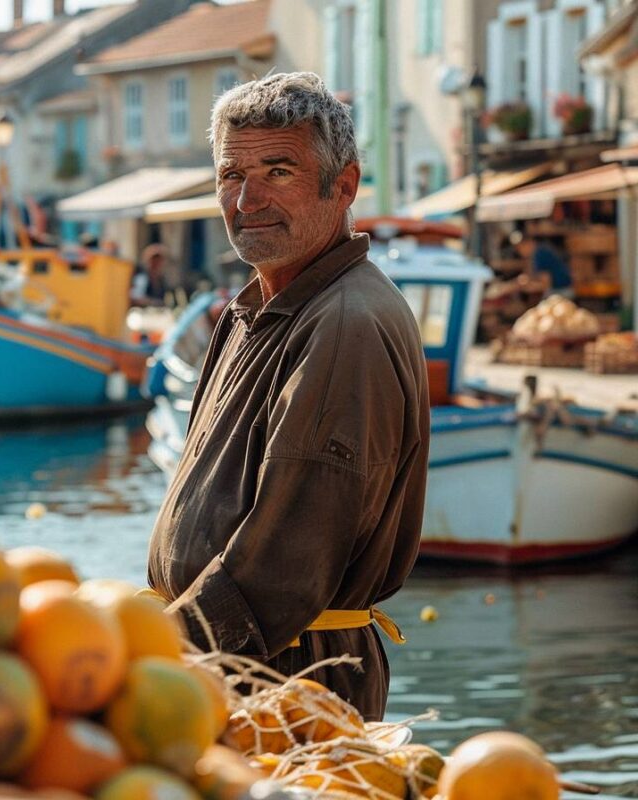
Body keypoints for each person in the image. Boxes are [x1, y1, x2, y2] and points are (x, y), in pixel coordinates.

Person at [146, 72, 430, 720]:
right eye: (229, 176)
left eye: (278, 172)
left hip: (285, 686)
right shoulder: (255, 310)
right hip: (231, 673)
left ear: (345, 186)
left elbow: (280, 571)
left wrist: (146, 660)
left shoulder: (345, 324)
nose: (246, 200)